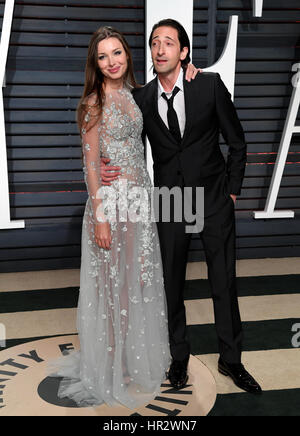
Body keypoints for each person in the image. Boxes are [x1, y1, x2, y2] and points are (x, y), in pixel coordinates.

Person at [101, 19, 262, 395]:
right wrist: (106, 168)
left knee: (223, 280)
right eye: (154, 43)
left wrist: (232, 192)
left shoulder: (207, 85)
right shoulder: (141, 99)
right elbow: (129, 143)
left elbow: (237, 142)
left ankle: (231, 359)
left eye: (169, 43)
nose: (159, 49)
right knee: (171, 282)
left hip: (213, 197)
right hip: (171, 200)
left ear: (184, 52)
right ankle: (178, 357)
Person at [46, 26, 178, 410]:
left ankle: (130, 357)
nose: (111, 61)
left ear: (127, 55)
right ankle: (111, 362)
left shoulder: (135, 96)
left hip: (139, 202)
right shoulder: (93, 102)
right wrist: (101, 215)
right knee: (111, 285)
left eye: (116, 53)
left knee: (134, 280)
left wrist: (191, 70)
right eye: (103, 56)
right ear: (96, 63)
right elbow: (90, 165)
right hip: (111, 204)